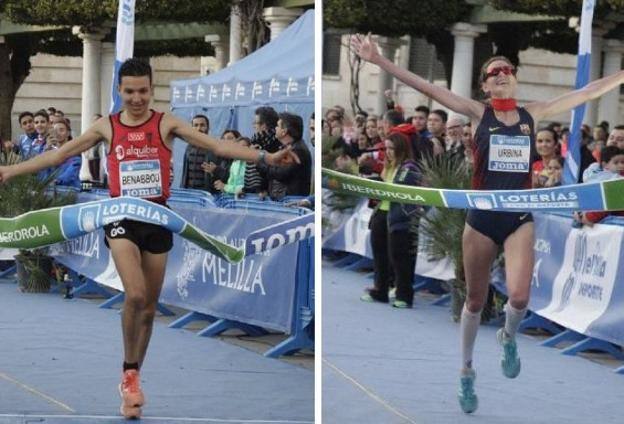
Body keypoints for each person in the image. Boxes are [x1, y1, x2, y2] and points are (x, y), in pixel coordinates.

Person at [0, 58, 294, 420]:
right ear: (119, 91)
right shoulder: (107, 126)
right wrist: (10, 170)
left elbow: (218, 147)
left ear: (151, 90)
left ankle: (134, 375)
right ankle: (127, 369)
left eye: (143, 91)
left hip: (158, 219)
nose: (136, 98)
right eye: (129, 92)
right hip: (121, 217)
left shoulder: (165, 123)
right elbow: (60, 154)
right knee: (136, 295)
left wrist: (266, 156)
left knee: (150, 308)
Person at [351, 33, 624, 414]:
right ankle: (466, 370)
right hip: (481, 218)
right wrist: (379, 61)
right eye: (494, 72)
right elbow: (426, 87)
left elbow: (588, 92)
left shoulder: (533, 113)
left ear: (515, 78)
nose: (502, 74)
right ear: (485, 85)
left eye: (507, 70)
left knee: (520, 297)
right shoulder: (478, 113)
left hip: (518, 218)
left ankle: (508, 336)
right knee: (475, 300)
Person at [360, 132, 422, 308]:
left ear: (401, 149)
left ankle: (404, 294)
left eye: (391, 148)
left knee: (400, 258)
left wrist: (376, 183)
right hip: (382, 213)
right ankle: (380, 289)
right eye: (386, 148)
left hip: (401, 217)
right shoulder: (388, 166)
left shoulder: (410, 167)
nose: (387, 152)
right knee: (380, 255)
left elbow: (397, 189)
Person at [257, 112, 312, 199]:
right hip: (283, 200)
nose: (275, 128)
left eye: (278, 126)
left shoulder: (298, 150)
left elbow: (280, 174)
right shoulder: (286, 147)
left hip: (291, 202)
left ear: (284, 131)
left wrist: (259, 161)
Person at [575, 145, 624, 226]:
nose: (621, 165)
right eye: (616, 163)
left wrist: (589, 217)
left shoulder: (619, 181)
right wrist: (579, 212)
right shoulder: (594, 173)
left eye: (623, 162)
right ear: (605, 165)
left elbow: (610, 202)